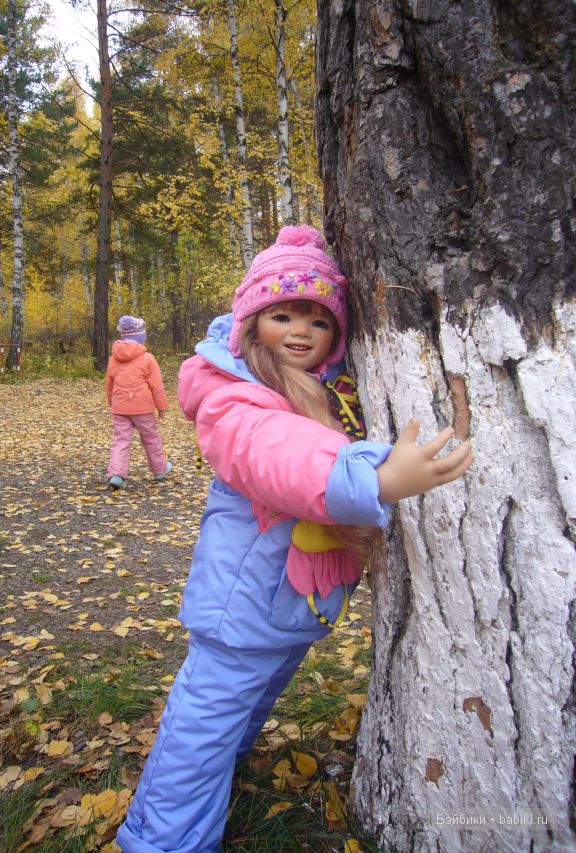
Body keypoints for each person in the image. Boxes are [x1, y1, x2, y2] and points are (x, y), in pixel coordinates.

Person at [116, 226, 474, 853]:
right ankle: (162, 840)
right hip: (243, 602)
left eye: (319, 320)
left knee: (244, 706)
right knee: (205, 721)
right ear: (252, 322)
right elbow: (276, 454)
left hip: (293, 601)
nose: (301, 331)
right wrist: (373, 479)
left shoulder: (330, 390)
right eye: (282, 315)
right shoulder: (234, 392)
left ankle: (223, 772)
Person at [106, 315, 172, 489]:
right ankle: (160, 470)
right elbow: (156, 385)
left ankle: (116, 474)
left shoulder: (113, 359)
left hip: (120, 407)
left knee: (121, 440)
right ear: (141, 337)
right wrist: (162, 406)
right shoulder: (148, 358)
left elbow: (109, 384)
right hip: (143, 408)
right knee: (151, 438)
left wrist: (112, 402)